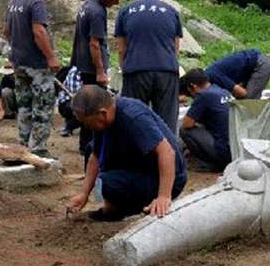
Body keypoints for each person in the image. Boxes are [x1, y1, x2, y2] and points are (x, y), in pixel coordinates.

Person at [69, 86, 187, 221]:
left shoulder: (133, 117)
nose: (86, 127)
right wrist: (83, 194)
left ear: (102, 113)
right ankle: (113, 206)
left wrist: (163, 196)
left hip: (166, 178)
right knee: (92, 149)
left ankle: (120, 209)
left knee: (107, 183)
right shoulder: (105, 118)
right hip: (141, 166)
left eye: (87, 123)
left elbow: (167, 152)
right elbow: (95, 157)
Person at [3, 0, 62, 157]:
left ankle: (24, 145)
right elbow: (39, 31)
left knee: (25, 106)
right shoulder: (36, 2)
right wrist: (51, 57)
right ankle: (38, 149)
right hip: (37, 65)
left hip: (19, 63)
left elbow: (6, 31)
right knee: (43, 108)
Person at [114, 0, 182, 133]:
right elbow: (175, 49)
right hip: (167, 71)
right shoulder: (172, 11)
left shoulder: (125, 11)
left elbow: (121, 49)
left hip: (136, 70)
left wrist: (125, 69)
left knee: (134, 118)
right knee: (166, 122)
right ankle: (167, 154)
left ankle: (137, 155)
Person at [71, 0, 125, 86]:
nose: (117, 2)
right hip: (91, 69)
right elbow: (94, 44)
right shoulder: (97, 13)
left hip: (81, 64)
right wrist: (100, 72)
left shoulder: (88, 4)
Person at [178, 69, 232, 172]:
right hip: (234, 149)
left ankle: (210, 164)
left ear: (193, 86)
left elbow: (187, 124)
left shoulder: (203, 96)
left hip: (223, 153)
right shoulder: (222, 91)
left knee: (184, 131)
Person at [205, 48, 270, 100]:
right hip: (249, 67)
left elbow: (242, 93)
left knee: (249, 101)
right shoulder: (209, 77)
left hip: (260, 64)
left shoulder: (213, 76)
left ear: (195, 86)